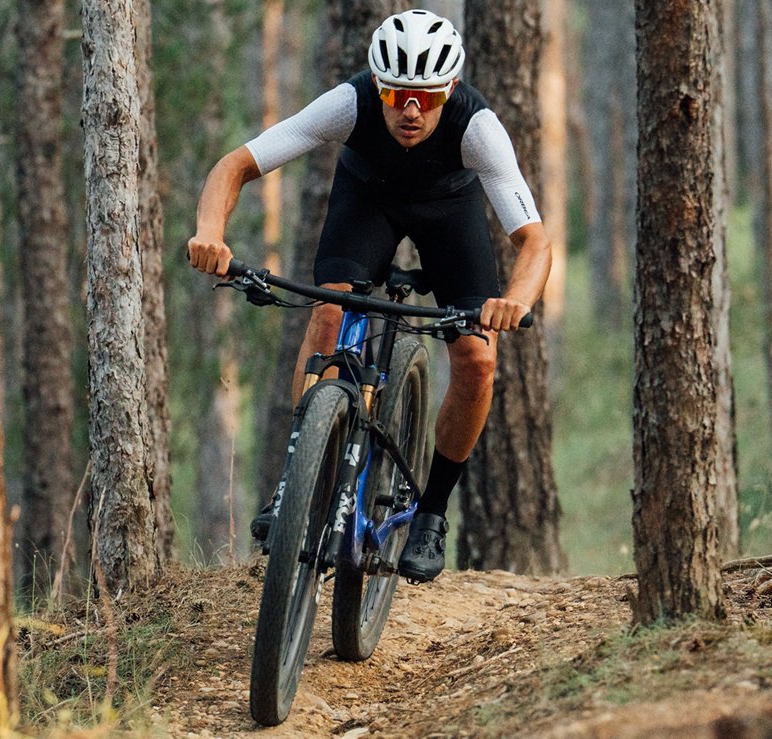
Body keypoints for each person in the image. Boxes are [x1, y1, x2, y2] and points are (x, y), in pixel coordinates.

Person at [185, 8, 552, 583]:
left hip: (447, 214)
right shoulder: (349, 104)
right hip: (368, 202)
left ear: (449, 89)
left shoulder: (477, 127)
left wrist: (517, 301)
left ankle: (431, 512)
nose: (411, 110)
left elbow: (533, 241)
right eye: (398, 93)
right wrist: (210, 231)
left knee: (478, 360)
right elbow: (235, 166)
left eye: (427, 98)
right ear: (378, 86)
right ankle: (296, 477)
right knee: (330, 309)